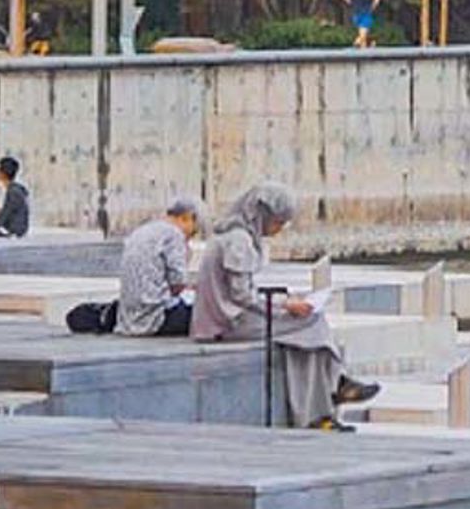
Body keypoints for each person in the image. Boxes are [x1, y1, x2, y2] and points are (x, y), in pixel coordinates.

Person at [192, 182, 378, 430]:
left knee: (307, 331)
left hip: (227, 316)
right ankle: (336, 384)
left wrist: (285, 306)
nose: (280, 229)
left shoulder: (235, 236)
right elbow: (241, 295)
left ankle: (328, 399)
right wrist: (284, 306)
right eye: (278, 222)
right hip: (228, 321)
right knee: (310, 321)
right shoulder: (239, 241)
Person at [116, 197, 202, 338]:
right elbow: (178, 283)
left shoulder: (144, 230)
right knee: (209, 313)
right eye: (193, 231)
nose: (190, 237)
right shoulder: (174, 235)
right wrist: (186, 257)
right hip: (156, 317)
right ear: (186, 218)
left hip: (129, 319)